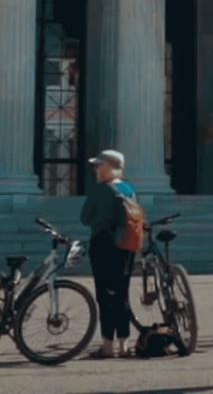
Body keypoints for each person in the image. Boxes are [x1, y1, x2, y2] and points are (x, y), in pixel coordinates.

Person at [80, 150, 135, 359]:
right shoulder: (128, 188)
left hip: (102, 242)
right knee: (122, 293)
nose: (95, 169)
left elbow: (85, 218)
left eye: (98, 165)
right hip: (126, 244)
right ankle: (124, 344)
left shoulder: (100, 190)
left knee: (105, 294)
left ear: (108, 167)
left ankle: (107, 345)